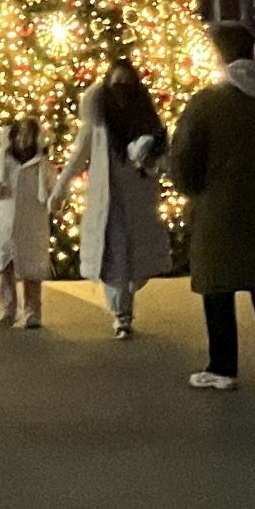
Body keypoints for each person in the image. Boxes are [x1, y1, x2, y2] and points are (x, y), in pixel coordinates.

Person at [169, 22, 255, 392]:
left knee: (218, 290)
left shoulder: (208, 102)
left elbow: (183, 158)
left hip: (217, 210)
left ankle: (223, 367)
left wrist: (192, 188)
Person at [51, 57, 170, 339]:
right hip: (108, 200)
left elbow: (164, 160)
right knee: (114, 256)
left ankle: (124, 307)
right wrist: (60, 189)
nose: (122, 92)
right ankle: (121, 314)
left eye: (128, 85)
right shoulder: (98, 123)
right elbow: (79, 156)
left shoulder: (147, 121)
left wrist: (151, 158)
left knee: (135, 259)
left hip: (139, 199)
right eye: (117, 85)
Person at [0, 116, 56, 329]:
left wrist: (55, 201)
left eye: (28, 135)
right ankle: (7, 310)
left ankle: (32, 311)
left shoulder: (43, 167)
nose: (23, 139)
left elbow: (54, 191)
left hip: (31, 225)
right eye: (20, 134)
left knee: (31, 270)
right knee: (5, 268)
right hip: (5, 224)